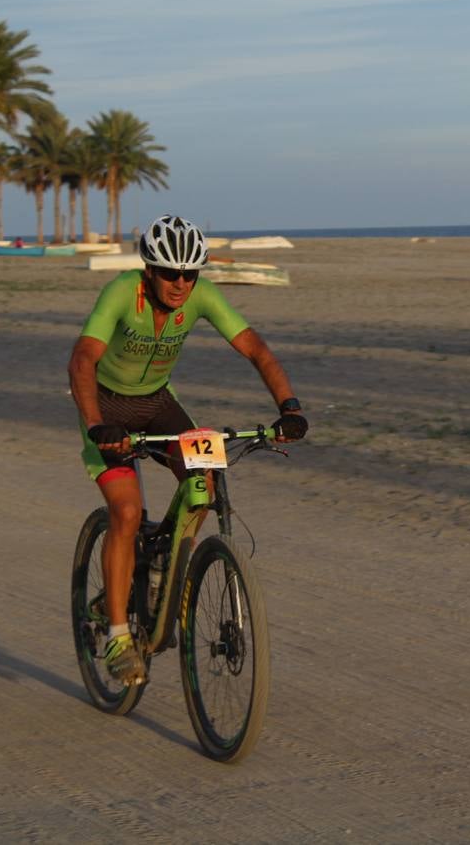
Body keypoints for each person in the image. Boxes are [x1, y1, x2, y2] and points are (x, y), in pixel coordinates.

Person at [68, 214, 307, 685]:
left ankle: (163, 564)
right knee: (127, 512)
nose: (180, 284)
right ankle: (118, 635)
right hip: (108, 410)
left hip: (158, 403)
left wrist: (290, 408)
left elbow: (255, 349)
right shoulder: (121, 293)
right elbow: (82, 358)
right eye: (170, 273)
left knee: (205, 482)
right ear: (150, 270)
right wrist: (96, 424)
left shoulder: (200, 296)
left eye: (189, 274)